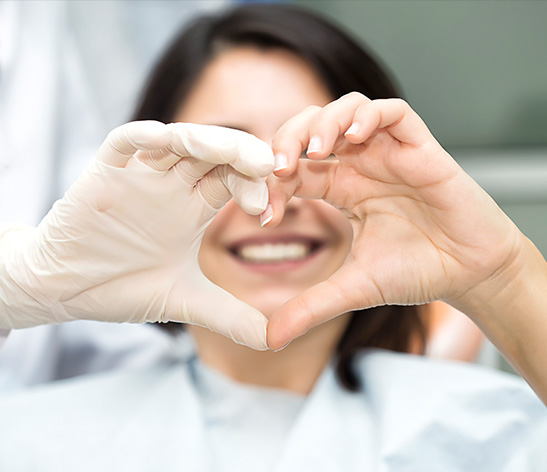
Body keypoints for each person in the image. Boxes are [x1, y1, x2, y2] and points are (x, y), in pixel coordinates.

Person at [0, 4, 546, 470]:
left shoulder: (502, 433)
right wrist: (11, 291)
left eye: (312, 151)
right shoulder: (30, 440)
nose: (272, 201)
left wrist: (504, 278)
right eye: (221, 159)